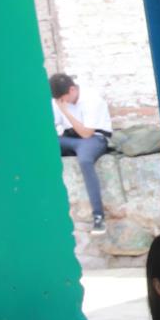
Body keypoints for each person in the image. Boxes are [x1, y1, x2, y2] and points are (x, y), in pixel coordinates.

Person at [51, 73, 114, 234]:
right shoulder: (58, 100)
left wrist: (66, 112)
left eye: (63, 98)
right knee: (40, 147)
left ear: (72, 89)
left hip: (94, 139)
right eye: (59, 100)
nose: (61, 102)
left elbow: (86, 133)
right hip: (69, 137)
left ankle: (98, 216)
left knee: (85, 160)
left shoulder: (91, 99)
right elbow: (52, 124)